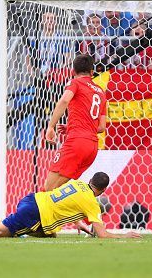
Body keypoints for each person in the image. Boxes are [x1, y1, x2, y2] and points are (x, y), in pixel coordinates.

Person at [0, 172, 142, 239]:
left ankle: (12, 225)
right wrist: (125, 236)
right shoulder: (91, 202)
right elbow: (103, 235)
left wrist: (79, 223)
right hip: (35, 214)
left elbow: (67, 204)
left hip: (33, 199)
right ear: (103, 190)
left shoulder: (78, 184)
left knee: (51, 234)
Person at [44, 54, 107, 191]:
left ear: (73, 72)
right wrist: (73, 126)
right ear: (91, 72)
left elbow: (65, 100)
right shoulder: (101, 92)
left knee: (48, 190)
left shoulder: (75, 83)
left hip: (76, 142)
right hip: (92, 147)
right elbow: (101, 127)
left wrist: (51, 126)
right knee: (60, 191)